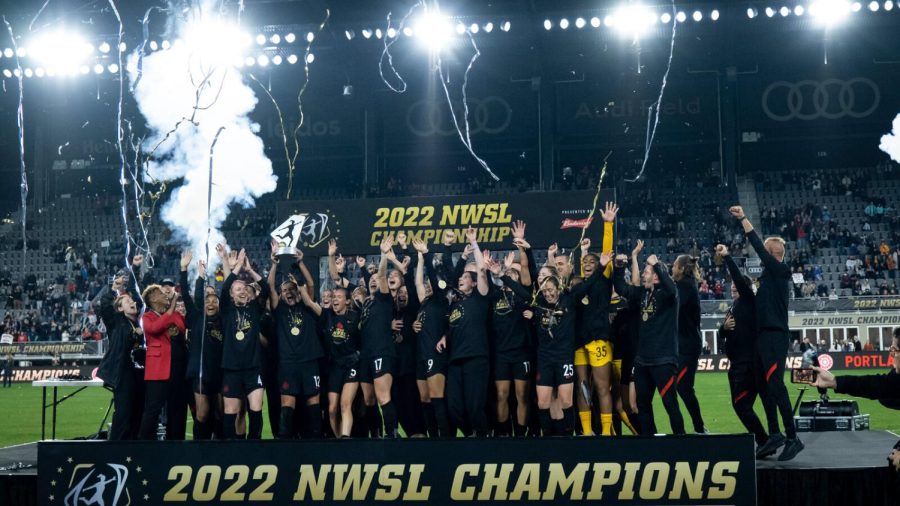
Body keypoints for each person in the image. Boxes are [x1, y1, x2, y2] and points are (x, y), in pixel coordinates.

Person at [495, 251, 610, 436]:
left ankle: (567, 436)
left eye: (551, 290)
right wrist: (501, 275)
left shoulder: (570, 299)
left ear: (558, 287)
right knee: (542, 402)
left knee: (566, 401)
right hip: (545, 359)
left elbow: (589, 284)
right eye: (545, 291)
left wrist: (602, 266)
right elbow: (521, 292)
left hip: (564, 357)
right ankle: (547, 437)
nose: (548, 294)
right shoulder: (538, 302)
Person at [730, 206, 804, 461]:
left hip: (774, 336)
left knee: (775, 385)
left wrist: (743, 220)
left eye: (766, 253)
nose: (760, 255)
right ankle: (774, 433)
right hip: (763, 338)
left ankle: (793, 437)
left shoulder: (780, 271)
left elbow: (759, 248)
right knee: (763, 386)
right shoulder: (766, 277)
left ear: (774, 255)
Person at [613, 251, 686, 435]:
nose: (643, 275)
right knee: (641, 405)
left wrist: (659, 266)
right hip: (642, 360)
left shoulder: (668, 296)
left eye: (646, 272)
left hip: (663, 359)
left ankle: (682, 443)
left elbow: (672, 289)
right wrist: (620, 268)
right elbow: (622, 288)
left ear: (655, 277)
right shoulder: (643, 294)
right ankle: (650, 443)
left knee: (670, 403)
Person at [437, 227, 492, 437]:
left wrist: (474, 243)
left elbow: (481, 270)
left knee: (474, 406)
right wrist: (444, 336)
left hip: (476, 358)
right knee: (454, 408)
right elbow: (454, 326)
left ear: (475, 282)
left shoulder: (480, 297)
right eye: (461, 277)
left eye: (466, 277)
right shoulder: (455, 304)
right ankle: (470, 435)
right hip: (455, 360)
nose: (461, 278)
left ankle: (482, 439)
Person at [267, 245, 324, 439]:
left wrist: (300, 263)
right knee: (287, 405)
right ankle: (285, 444)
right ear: (281, 294)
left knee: (313, 403)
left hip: (309, 361)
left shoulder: (307, 306)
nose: (289, 292)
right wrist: (274, 265)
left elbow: (310, 283)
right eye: (284, 290)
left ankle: (315, 441)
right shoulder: (279, 309)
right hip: (288, 364)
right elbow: (270, 288)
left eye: (292, 289)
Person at [716, 244, 769, 450]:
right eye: (732, 287)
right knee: (741, 405)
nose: (733, 288)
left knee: (741, 405)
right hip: (736, 363)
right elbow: (724, 335)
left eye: (737, 287)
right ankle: (763, 439)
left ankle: (763, 439)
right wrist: (723, 328)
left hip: (746, 364)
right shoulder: (733, 308)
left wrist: (728, 258)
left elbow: (739, 279)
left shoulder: (749, 301)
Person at [572, 203, 618, 436]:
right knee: (582, 388)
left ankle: (607, 431)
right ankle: (587, 431)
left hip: (599, 339)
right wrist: (583, 253)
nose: (588, 265)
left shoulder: (604, 276)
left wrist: (607, 225)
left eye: (592, 262)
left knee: (602, 388)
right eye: (585, 264)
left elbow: (606, 253)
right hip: (580, 342)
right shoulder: (579, 286)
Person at [218, 246, 266, 439]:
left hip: (253, 368)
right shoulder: (226, 311)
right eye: (238, 289)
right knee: (232, 411)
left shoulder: (254, 309)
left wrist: (248, 271)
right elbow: (224, 286)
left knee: (256, 409)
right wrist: (235, 267)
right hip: (231, 368)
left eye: (245, 288)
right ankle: (231, 451)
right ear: (231, 295)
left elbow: (266, 288)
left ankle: (255, 448)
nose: (243, 291)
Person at [358, 235, 400, 438]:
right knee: (368, 400)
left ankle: (391, 434)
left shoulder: (385, 299)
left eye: (377, 280)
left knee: (383, 396)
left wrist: (383, 254)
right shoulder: (367, 304)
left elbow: (382, 277)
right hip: (366, 354)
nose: (374, 281)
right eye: (371, 280)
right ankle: (375, 435)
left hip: (382, 351)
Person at [411, 236, 451, 436]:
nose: (427, 286)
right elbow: (418, 282)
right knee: (424, 399)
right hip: (421, 354)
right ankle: (431, 436)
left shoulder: (440, 300)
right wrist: (419, 260)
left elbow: (432, 282)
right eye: (426, 285)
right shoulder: (425, 303)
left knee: (436, 398)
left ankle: (444, 439)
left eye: (430, 285)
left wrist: (426, 256)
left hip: (435, 355)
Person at [97, 271, 144, 440]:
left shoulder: (137, 323)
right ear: (119, 308)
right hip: (122, 373)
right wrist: (113, 289)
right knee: (123, 412)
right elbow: (105, 307)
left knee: (136, 411)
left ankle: (131, 449)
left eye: (131, 301)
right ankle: (116, 449)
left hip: (137, 374)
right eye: (127, 301)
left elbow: (138, 297)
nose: (132, 302)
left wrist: (136, 270)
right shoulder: (116, 322)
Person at [182, 257, 223, 440]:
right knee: (202, 414)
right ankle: (199, 450)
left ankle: (221, 449)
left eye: (214, 298)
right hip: (200, 373)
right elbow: (187, 294)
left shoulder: (225, 320)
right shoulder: (197, 317)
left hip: (221, 372)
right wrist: (195, 275)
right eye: (207, 299)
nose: (210, 302)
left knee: (221, 413)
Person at [137, 282, 185, 440]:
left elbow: (181, 327)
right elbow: (154, 329)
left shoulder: (173, 314)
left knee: (177, 407)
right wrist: (171, 309)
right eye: (160, 293)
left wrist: (171, 311)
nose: (165, 295)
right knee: (153, 409)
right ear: (152, 299)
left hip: (176, 368)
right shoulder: (147, 317)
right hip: (158, 369)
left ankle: (175, 442)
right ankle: (145, 444)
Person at [672, 254, 707, 434]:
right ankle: (696, 427)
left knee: (683, 387)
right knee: (681, 387)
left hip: (687, 347)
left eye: (674, 266)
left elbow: (674, 309)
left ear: (681, 268)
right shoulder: (685, 285)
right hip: (684, 345)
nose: (672, 268)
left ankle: (699, 427)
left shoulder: (684, 286)